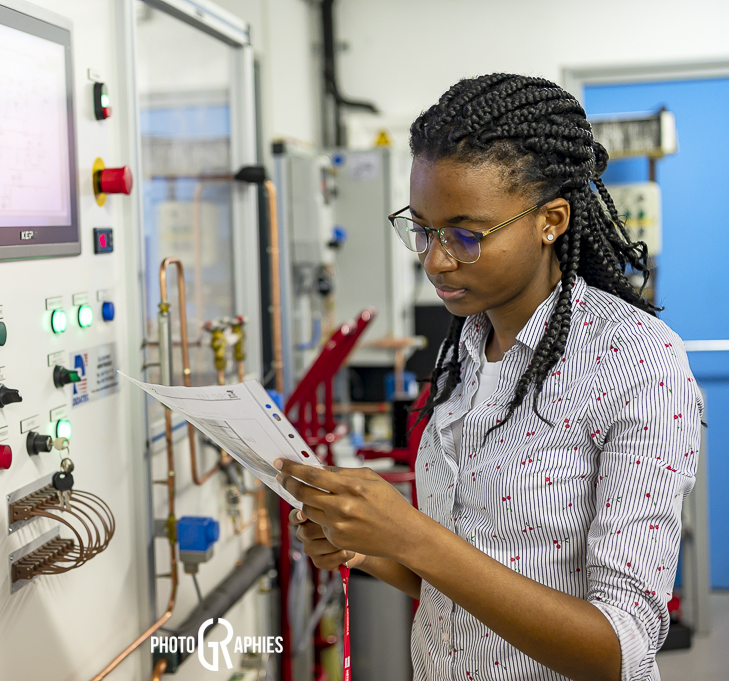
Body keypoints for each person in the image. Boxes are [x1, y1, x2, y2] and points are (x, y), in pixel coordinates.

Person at [275, 73, 702, 681]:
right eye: (421, 229)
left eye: (466, 235)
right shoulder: (467, 350)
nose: (435, 260)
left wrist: (414, 536)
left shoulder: (636, 362)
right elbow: (460, 593)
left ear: (551, 219)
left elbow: (619, 649)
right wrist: (373, 547)